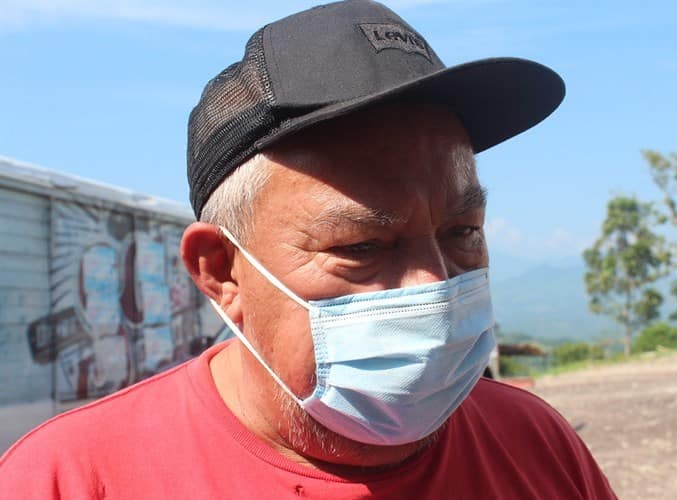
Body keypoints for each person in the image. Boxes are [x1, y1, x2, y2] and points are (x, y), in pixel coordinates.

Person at [0, 1, 617, 497]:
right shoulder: (69, 479)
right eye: (365, 245)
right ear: (222, 273)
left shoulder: (538, 443)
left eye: (464, 232)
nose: (434, 285)